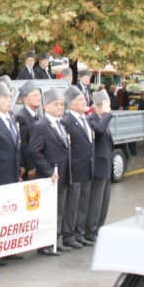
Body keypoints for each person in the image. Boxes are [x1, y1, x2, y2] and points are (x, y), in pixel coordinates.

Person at [28, 88, 71, 255]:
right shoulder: (41, 125)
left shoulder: (61, 124)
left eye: (61, 104)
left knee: (60, 209)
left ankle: (56, 239)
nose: (60, 107)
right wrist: (48, 170)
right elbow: (34, 151)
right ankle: (45, 244)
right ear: (46, 106)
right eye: (56, 104)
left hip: (63, 174)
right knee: (49, 211)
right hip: (50, 177)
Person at [61, 87, 95, 249]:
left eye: (84, 99)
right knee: (72, 205)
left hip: (88, 168)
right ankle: (68, 235)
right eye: (80, 100)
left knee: (83, 204)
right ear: (71, 105)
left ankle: (79, 234)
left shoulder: (86, 119)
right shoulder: (66, 122)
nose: (84, 102)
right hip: (74, 169)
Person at [86, 91, 113, 244]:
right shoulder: (92, 119)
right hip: (98, 167)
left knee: (104, 202)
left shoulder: (102, 120)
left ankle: (99, 229)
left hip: (106, 166)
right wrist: (106, 115)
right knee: (96, 202)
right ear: (97, 106)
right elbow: (99, 130)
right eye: (106, 105)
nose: (109, 108)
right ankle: (91, 231)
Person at [15, 82, 42, 180]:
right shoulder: (21, 117)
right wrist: (30, 167)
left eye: (39, 95)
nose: (38, 98)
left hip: (40, 163)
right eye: (35, 95)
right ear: (25, 99)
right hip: (30, 166)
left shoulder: (39, 116)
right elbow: (23, 144)